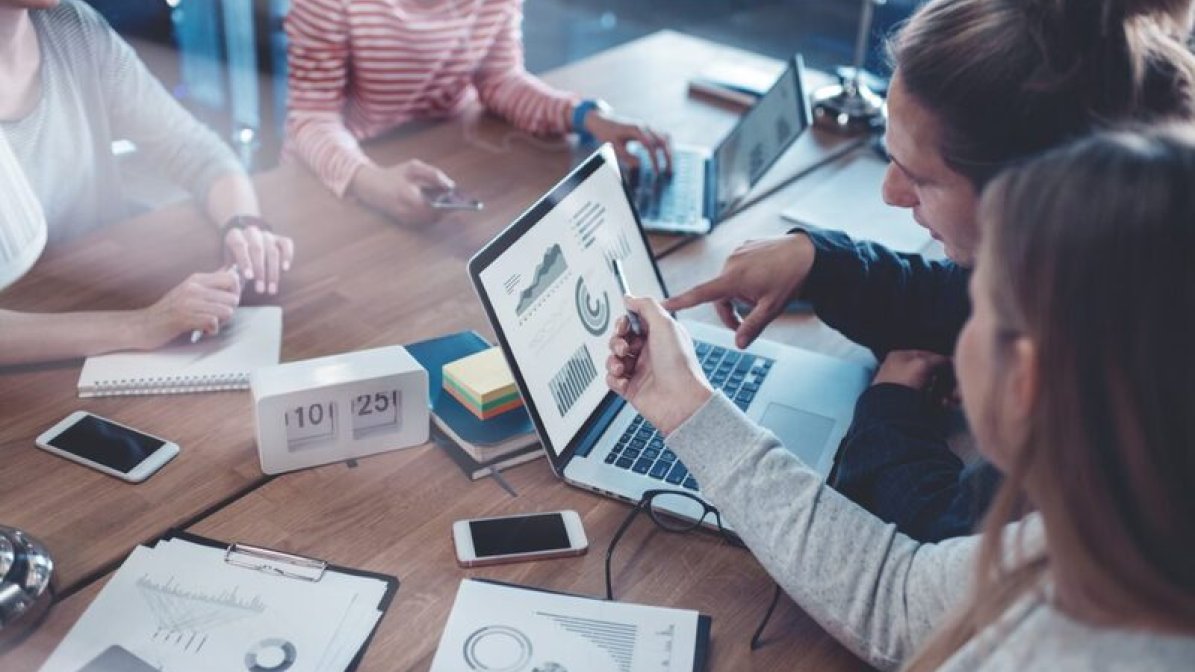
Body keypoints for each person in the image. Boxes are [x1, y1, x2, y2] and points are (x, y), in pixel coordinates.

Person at [606, 126, 1195, 670]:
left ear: (1024, 378)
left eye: (976, 306)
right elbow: (903, 602)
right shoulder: (1127, 527)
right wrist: (686, 407)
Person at [660, 0, 1195, 541]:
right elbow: (954, 300)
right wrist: (818, 262)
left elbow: (951, 545)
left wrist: (891, 406)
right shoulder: (1111, 268)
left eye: (921, 178)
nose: (890, 192)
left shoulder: (1122, 389)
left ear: (1031, 198)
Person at [0, 0, 295, 366]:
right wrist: (140, 326)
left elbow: (195, 149)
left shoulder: (72, 24)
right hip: (37, 355)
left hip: (108, 288)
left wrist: (243, 223)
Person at [284, 0, 672, 226]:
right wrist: (369, 182)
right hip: (343, 173)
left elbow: (500, 79)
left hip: (451, 158)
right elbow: (312, 118)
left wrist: (585, 116)